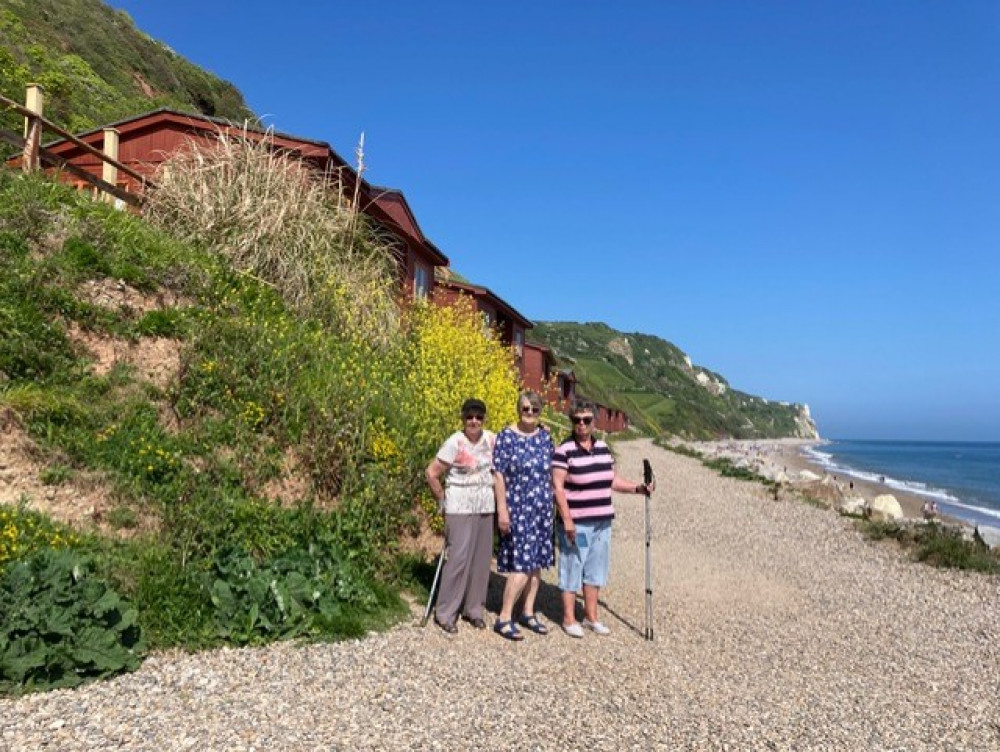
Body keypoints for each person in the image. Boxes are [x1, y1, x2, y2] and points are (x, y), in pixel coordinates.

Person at [552, 399, 655, 638]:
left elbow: (612, 481)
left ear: (594, 422)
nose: (581, 425)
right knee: (572, 567)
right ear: (572, 422)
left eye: (586, 420)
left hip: (602, 522)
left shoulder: (603, 449)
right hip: (577, 523)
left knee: (596, 570)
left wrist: (638, 489)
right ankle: (569, 619)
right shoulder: (564, 451)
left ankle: (591, 617)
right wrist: (566, 518)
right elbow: (557, 486)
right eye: (576, 420)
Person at [425, 398, 500, 634]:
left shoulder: (491, 439)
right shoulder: (454, 442)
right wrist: (442, 501)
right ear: (463, 418)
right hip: (459, 504)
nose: (474, 421)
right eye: (469, 417)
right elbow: (432, 473)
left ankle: (474, 609)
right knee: (458, 558)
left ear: (484, 418)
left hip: (485, 504)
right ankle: (445, 612)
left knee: (480, 560)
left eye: (478, 416)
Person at [493, 390, 555, 641]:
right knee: (522, 563)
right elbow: (498, 475)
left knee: (537, 562)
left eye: (535, 410)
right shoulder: (506, 437)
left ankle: (528, 612)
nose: (529, 414)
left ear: (540, 412)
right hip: (517, 509)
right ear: (519, 410)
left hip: (541, 509)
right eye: (525, 409)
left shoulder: (545, 438)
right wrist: (502, 509)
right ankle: (504, 617)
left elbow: (554, 471)